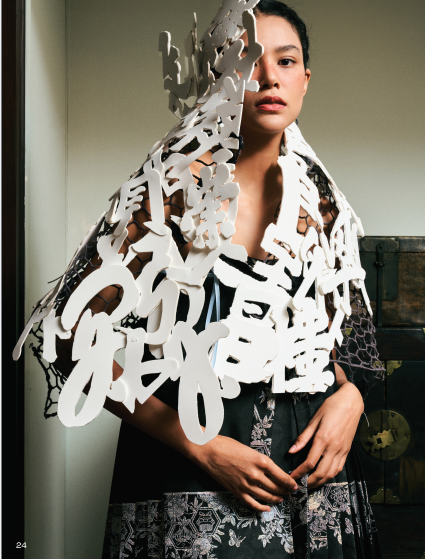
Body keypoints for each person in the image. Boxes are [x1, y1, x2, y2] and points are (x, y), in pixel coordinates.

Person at [16, 1, 384, 557]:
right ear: (218, 76)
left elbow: (339, 338)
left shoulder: (322, 200)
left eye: (286, 61)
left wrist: (350, 398)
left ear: (305, 79)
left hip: (315, 477)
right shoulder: (170, 192)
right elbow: (67, 337)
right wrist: (200, 444)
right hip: (194, 464)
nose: (268, 78)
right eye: (248, 61)